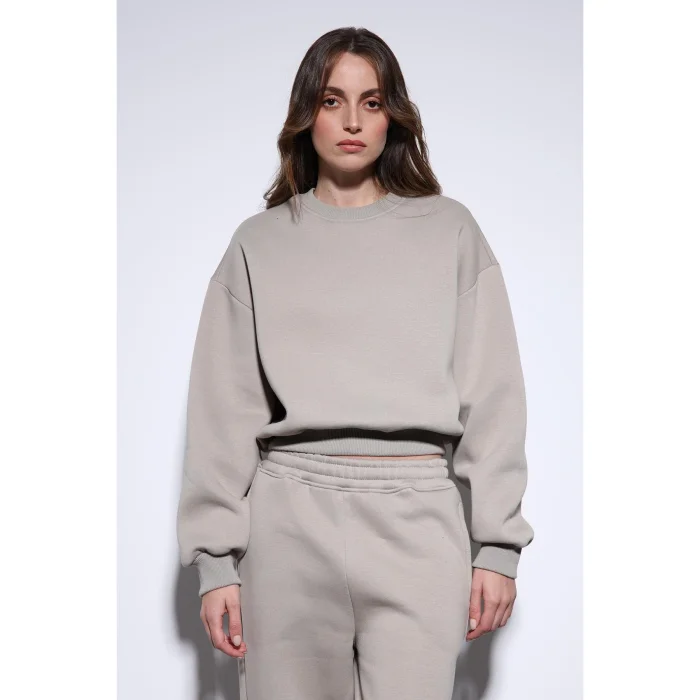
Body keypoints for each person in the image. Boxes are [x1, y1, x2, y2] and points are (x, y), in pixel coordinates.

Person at [176, 26, 535, 700]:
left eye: (371, 102)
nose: (351, 121)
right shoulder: (258, 243)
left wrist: (497, 545)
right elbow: (222, 408)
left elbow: (493, 396)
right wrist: (216, 561)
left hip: (419, 519)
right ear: (305, 113)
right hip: (287, 522)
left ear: (392, 116)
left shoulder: (450, 230)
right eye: (332, 100)